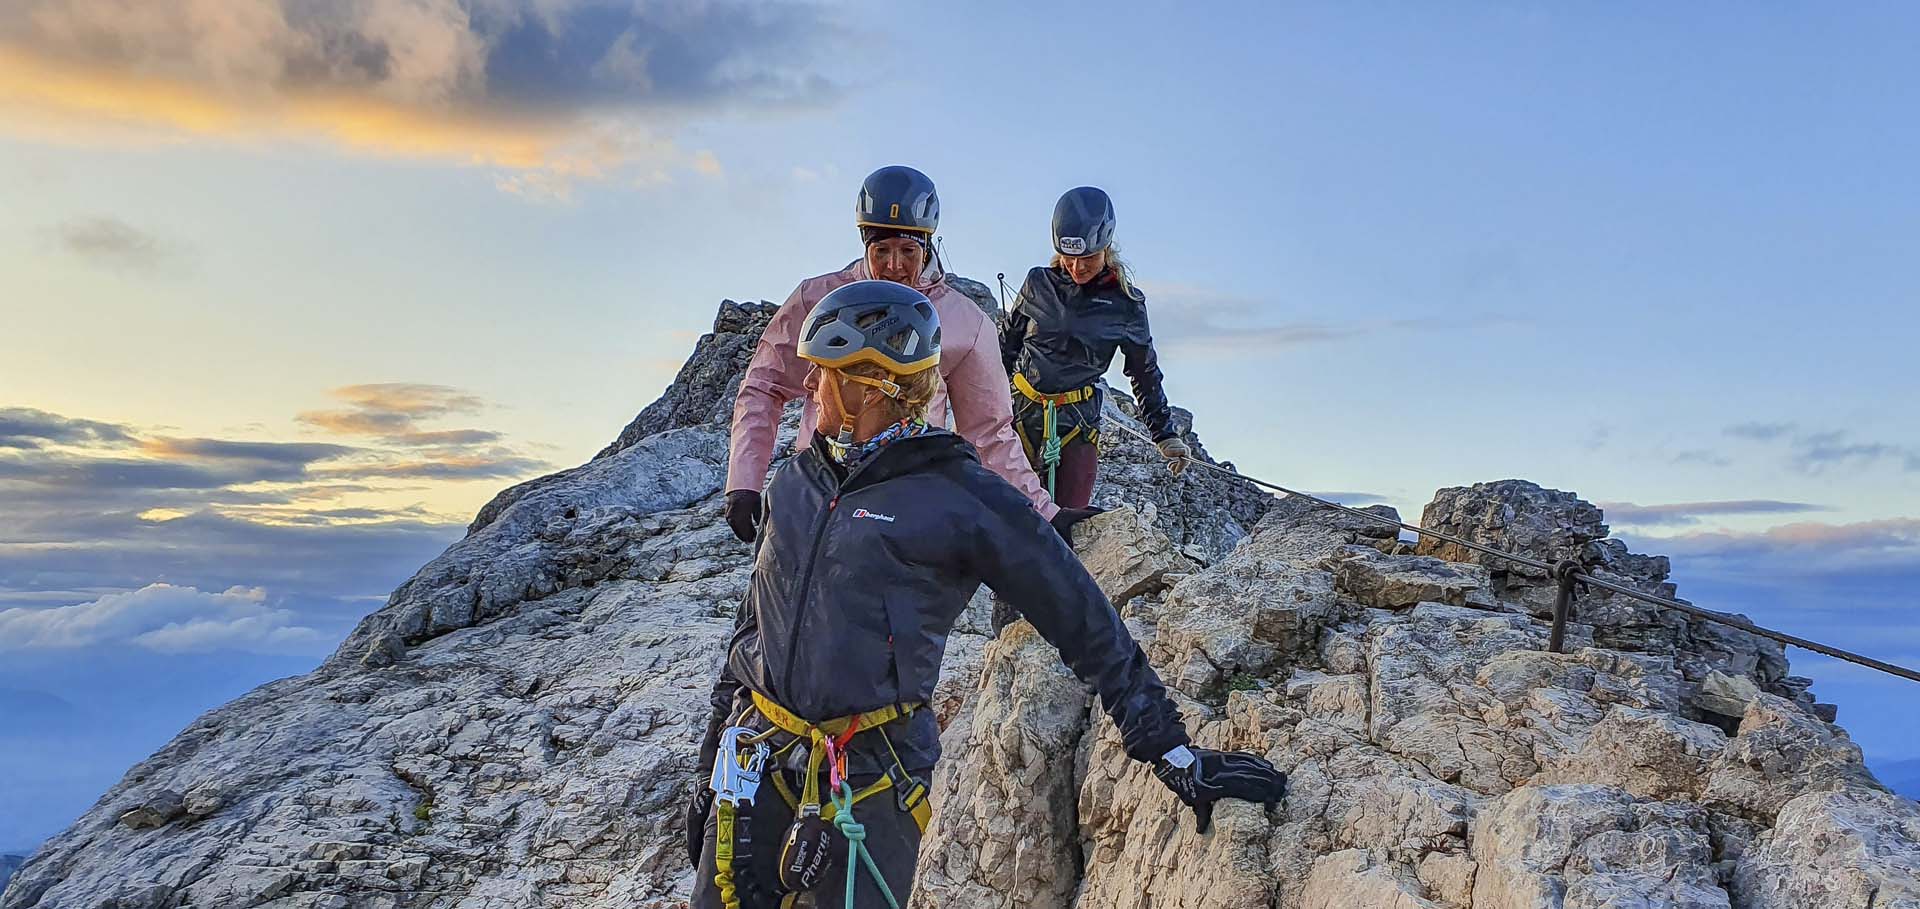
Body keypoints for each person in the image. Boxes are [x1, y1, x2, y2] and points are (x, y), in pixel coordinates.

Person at [688, 281, 1288, 909]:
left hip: (870, 775)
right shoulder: (796, 481)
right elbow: (754, 620)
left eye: (824, 374)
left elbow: (1080, 614)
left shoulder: (961, 495)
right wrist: (710, 762)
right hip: (756, 761)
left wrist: (1170, 749)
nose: (809, 389)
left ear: (872, 383)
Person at [726, 165, 1096, 547]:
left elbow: (989, 432)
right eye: (881, 250)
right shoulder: (816, 300)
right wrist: (744, 481)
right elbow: (764, 386)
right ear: (864, 244)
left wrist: (1045, 512)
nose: (894, 265)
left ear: (928, 245)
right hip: (818, 485)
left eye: (907, 250)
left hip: (905, 496)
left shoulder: (966, 325)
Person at [999, 186, 1190, 510]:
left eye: (1087, 258)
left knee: (1069, 522)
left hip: (1076, 424)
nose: (1077, 267)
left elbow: (1143, 372)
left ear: (1106, 247)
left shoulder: (1126, 305)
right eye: (1069, 257)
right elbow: (1007, 347)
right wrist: (985, 409)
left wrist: (1164, 434)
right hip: (1021, 415)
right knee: (1004, 517)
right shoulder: (1037, 283)